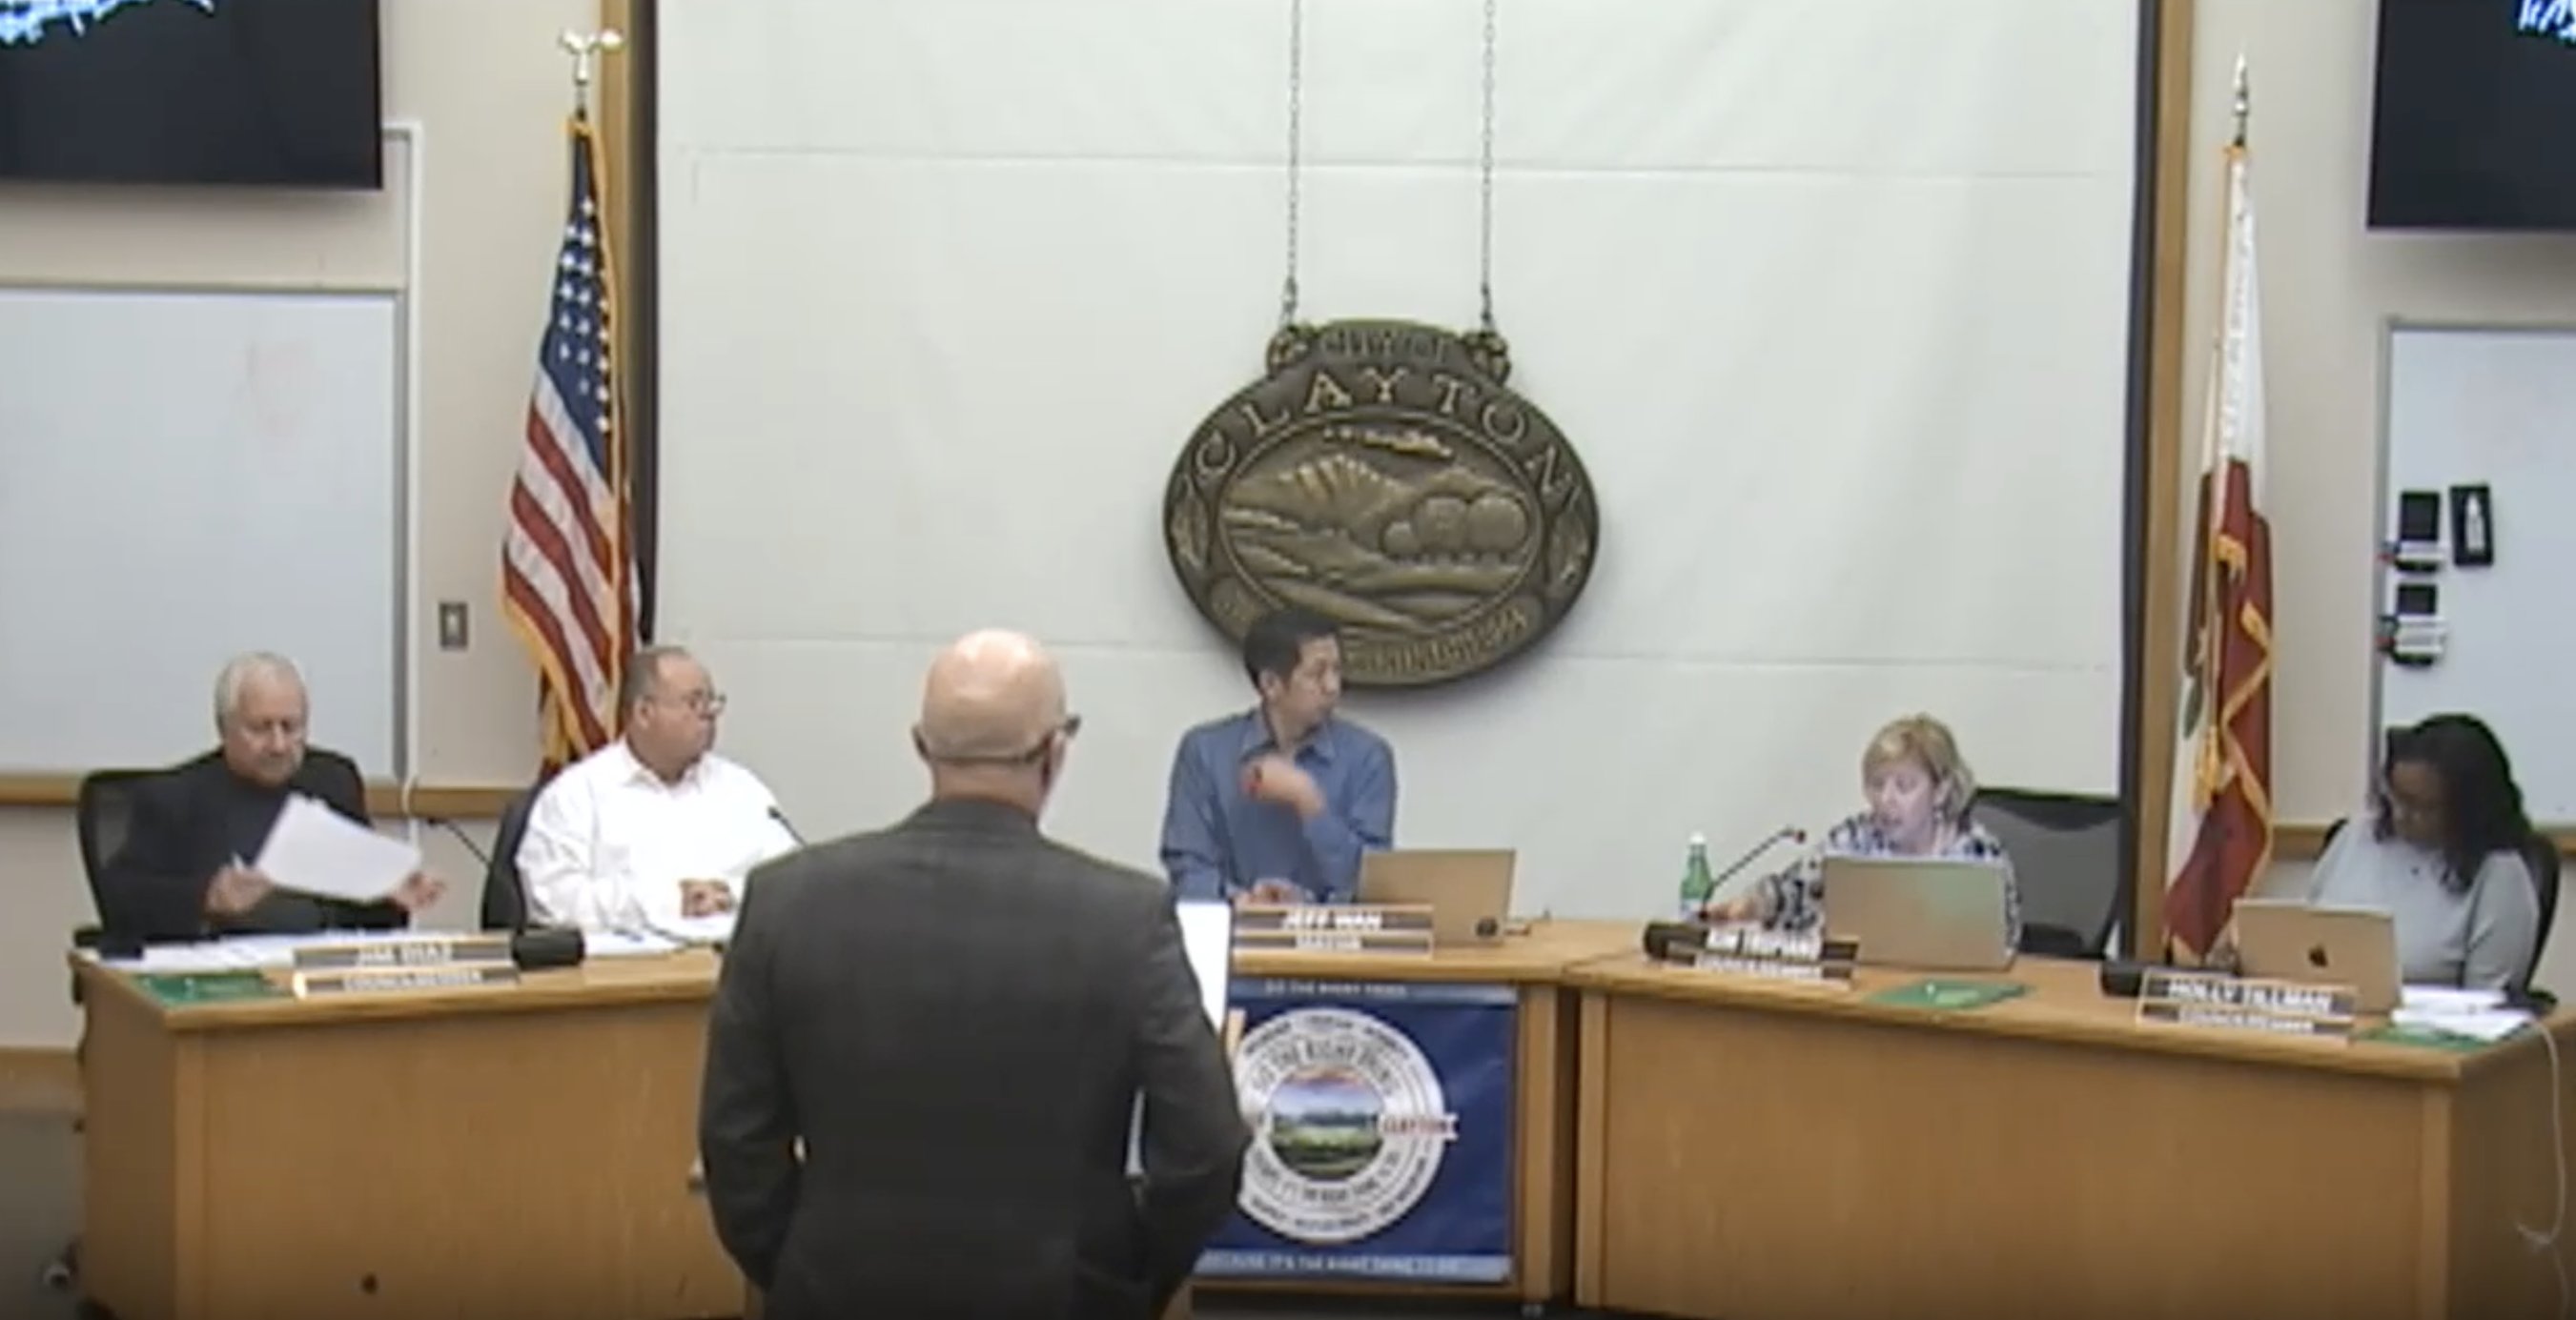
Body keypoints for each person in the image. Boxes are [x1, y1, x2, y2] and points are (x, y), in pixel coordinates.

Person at [699, 629, 1247, 1319]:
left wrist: (792, 1263)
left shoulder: (787, 901)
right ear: (1055, 752)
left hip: (836, 1289)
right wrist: (1128, 1275)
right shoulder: (1125, 918)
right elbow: (1207, 1146)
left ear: (920, 746)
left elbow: (735, 1140)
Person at [99, 652, 443, 942]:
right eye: (260, 728)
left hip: (317, 969)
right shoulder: (175, 798)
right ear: (224, 728)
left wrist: (389, 892)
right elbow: (122, 901)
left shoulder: (332, 782)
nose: (278, 745)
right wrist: (209, 897)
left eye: (291, 727)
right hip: (226, 974)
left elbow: (364, 918)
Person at [515, 645, 797, 931]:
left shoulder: (743, 790)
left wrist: (728, 895)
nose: (710, 714)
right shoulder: (577, 796)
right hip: (627, 959)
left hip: (731, 956)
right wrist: (669, 903)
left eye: (712, 702)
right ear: (644, 713)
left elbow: (790, 880)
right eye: (695, 702)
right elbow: (551, 898)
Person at [1707, 713, 2022, 946]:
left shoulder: (1979, 853)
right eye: (1877, 784)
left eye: (1904, 786)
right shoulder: (1856, 838)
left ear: (1940, 791)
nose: (1886, 799)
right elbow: (1793, 890)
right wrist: (1750, 905)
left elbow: (2006, 941)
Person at [1159, 607, 1396, 904]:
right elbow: (1188, 867)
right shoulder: (1204, 752)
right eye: (1317, 674)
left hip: (1330, 930)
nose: (1333, 687)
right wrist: (1241, 899)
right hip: (1230, 925)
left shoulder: (1368, 758)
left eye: (1336, 670)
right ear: (1270, 684)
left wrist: (1308, 802)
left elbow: (1370, 883)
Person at [2299, 713, 2542, 990]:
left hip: (2423, 1017)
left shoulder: (2499, 873)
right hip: (2323, 1007)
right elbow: (2305, 933)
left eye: (2421, 807)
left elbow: (2487, 1003)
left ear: (2467, 808)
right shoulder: (2357, 836)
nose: (2401, 815)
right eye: (2396, 797)